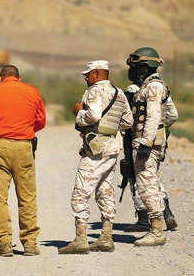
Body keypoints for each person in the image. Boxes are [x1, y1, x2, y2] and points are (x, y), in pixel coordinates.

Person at [59, 60, 133, 254]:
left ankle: (81, 239)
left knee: (80, 194)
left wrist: (78, 113)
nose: (86, 77)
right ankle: (106, 238)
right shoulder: (119, 93)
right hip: (111, 149)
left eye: (88, 74)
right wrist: (111, 127)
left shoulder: (94, 91)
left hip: (95, 151)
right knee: (105, 192)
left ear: (98, 74)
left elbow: (93, 115)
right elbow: (128, 121)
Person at [0, 65, 46, 257]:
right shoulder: (31, 91)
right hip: (24, 146)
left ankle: (4, 244)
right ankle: (30, 243)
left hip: (0, 145)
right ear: (19, 77)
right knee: (27, 197)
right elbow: (40, 121)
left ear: (0, 77)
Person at [125, 47, 179, 246]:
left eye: (136, 66)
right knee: (149, 184)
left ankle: (156, 231)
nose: (132, 70)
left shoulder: (153, 86)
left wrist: (146, 142)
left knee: (147, 186)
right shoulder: (146, 85)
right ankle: (155, 228)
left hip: (147, 146)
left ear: (146, 67)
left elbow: (154, 116)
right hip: (146, 143)